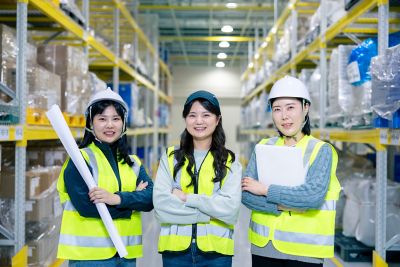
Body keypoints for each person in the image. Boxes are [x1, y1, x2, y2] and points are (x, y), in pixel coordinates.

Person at [241, 76, 341, 267]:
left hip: (305, 252)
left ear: (305, 108)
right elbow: (246, 195)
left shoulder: (321, 150)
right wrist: (289, 205)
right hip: (264, 247)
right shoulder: (263, 147)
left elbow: (311, 198)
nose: (284, 116)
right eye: (277, 109)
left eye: (290, 107)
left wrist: (264, 190)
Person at [56, 88, 153, 266]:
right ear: (91, 123)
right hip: (90, 258)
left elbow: (149, 200)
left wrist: (115, 198)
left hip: (126, 255)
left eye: (116, 119)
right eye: (102, 119)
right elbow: (87, 208)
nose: (110, 125)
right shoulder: (80, 161)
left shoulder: (133, 163)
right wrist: (131, 204)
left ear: (123, 124)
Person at [153, 90, 242, 267]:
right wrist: (210, 213)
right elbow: (161, 207)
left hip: (216, 254)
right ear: (185, 119)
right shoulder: (170, 157)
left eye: (206, 115)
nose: (199, 121)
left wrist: (186, 198)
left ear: (217, 120)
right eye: (192, 115)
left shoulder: (229, 161)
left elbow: (230, 210)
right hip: (175, 253)